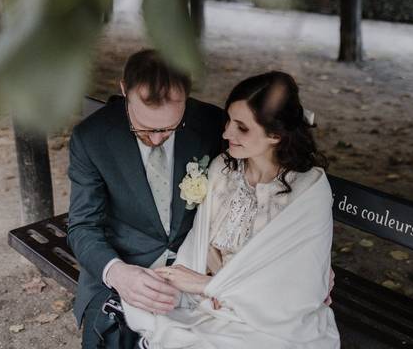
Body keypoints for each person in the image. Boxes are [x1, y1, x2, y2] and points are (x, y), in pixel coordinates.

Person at [124, 71, 341, 348]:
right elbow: (198, 245)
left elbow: (299, 287)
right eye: (229, 121)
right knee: (142, 297)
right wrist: (190, 281)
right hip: (209, 301)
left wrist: (209, 286)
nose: (226, 133)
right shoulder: (223, 169)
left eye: (242, 127)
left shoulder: (309, 188)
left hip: (269, 317)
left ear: (275, 134)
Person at [66, 49, 227, 348]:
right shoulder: (91, 138)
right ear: (124, 89)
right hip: (126, 263)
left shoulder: (212, 123)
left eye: (168, 129)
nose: (156, 139)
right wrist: (117, 273)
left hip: (195, 268)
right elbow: (82, 226)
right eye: (145, 126)